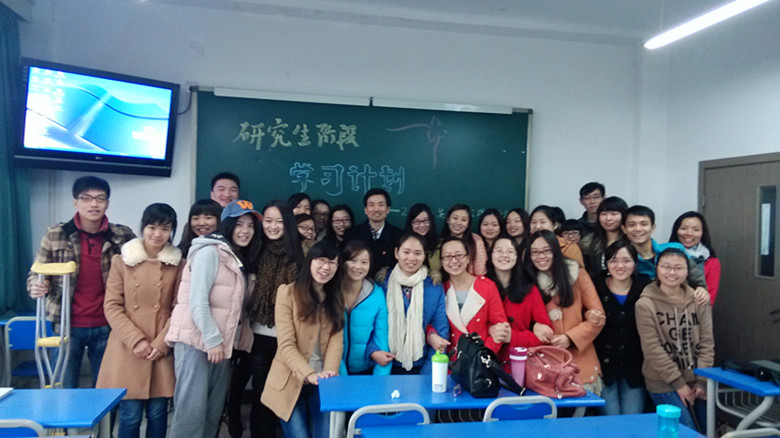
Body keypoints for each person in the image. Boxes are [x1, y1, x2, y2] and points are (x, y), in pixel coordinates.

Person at [27, 176, 135, 389]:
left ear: (107, 203)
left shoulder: (122, 234)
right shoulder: (56, 234)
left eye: (100, 198)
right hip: (67, 323)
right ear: (75, 202)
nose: (94, 204)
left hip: (109, 324)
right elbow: (36, 272)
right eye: (86, 198)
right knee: (63, 389)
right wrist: (36, 286)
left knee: (105, 389)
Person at [165, 200, 260, 438]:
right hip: (197, 342)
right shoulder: (209, 252)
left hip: (219, 345)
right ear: (227, 225)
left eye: (250, 225)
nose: (245, 231)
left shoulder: (235, 257)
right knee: (191, 414)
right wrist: (213, 340)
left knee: (212, 412)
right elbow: (198, 301)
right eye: (239, 224)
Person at [97, 203, 182, 438]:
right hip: (127, 345)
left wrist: (161, 343)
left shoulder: (178, 264)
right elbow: (112, 305)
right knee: (130, 414)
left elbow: (179, 308)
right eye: (152, 227)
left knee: (158, 413)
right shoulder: (122, 261)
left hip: (161, 345)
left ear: (172, 231)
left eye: (165, 229)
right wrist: (136, 340)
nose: (157, 234)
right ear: (143, 227)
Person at [261, 240, 344, 438]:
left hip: (323, 381)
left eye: (332, 263)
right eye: (321, 260)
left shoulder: (336, 298)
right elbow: (286, 344)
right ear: (309, 262)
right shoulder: (287, 293)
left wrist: (329, 374)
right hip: (289, 379)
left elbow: (336, 340)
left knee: (325, 434)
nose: (326, 267)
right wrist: (309, 374)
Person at [237, 200, 303, 438]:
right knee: (261, 393)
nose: (273, 226)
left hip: (287, 336)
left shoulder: (300, 254)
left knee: (283, 393)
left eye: (279, 221)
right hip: (257, 333)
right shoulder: (254, 249)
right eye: (268, 221)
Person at [636, 247, 714, 432]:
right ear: (657, 269)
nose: (672, 272)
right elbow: (652, 349)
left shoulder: (699, 300)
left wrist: (703, 380)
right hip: (663, 383)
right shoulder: (645, 303)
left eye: (678, 268)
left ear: (687, 271)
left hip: (698, 379)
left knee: (707, 430)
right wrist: (679, 385)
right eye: (666, 267)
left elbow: (707, 342)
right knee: (686, 431)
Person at [525, 230, 605, 394]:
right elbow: (518, 320)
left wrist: (570, 338)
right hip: (543, 366)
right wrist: (534, 326)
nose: (541, 256)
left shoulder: (577, 274)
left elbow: (598, 317)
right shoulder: (526, 280)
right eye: (535, 252)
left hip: (580, 362)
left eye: (547, 251)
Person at [593, 241, 650, 416]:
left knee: (632, 419)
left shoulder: (646, 287)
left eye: (626, 261)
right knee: (610, 419)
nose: (620, 266)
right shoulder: (595, 286)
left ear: (635, 263)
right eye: (613, 260)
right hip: (603, 366)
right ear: (606, 264)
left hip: (635, 366)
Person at [383, 233, 448, 374]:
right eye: (406, 252)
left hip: (422, 364)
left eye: (418, 253)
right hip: (386, 364)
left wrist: (427, 373)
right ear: (396, 253)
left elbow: (441, 330)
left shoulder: (434, 287)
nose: (411, 258)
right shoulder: (383, 284)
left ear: (424, 255)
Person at [622, 205, 709, 306]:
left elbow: (696, 278)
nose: (638, 229)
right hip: (646, 309)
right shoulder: (624, 260)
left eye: (644, 224)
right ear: (624, 229)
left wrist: (701, 288)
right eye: (632, 225)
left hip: (681, 307)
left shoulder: (676, 249)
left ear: (653, 228)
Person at [486, 237, 552, 369]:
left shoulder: (529, 290)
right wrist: (489, 329)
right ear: (490, 255)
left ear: (517, 256)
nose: (504, 255)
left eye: (510, 251)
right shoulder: (480, 287)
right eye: (499, 251)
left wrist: (513, 337)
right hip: (486, 363)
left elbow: (545, 337)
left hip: (519, 365)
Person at [440, 236, 508, 354]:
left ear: (468, 258)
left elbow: (499, 327)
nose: (454, 261)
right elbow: (431, 324)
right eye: (447, 256)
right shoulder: (440, 289)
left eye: (459, 255)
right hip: (450, 359)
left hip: (481, 357)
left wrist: (483, 355)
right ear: (441, 261)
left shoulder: (487, 286)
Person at [339, 240, 393, 375]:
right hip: (334, 371)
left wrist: (379, 381)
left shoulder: (377, 295)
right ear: (342, 262)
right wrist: (341, 380)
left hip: (365, 371)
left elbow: (382, 341)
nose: (358, 267)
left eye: (364, 262)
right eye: (353, 260)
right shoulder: (331, 293)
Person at [345, 188, 404, 279]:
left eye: (381, 205)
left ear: (388, 209)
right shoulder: (352, 234)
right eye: (371, 205)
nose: (376, 209)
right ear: (365, 210)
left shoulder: (399, 236)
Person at [669, 211, 721, 305]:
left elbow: (709, 298)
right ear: (676, 230)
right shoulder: (663, 255)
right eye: (684, 228)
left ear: (702, 233)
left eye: (696, 229)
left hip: (694, 310)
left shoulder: (712, 262)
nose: (689, 233)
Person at [579, 196, 628, 280]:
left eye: (614, 214)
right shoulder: (587, 242)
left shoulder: (632, 240)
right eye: (603, 214)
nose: (608, 218)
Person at [440, 204, 487, 276]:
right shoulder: (440, 242)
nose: (458, 223)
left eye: (463, 220)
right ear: (448, 220)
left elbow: (480, 272)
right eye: (455, 218)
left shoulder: (476, 241)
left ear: (468, 224)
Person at [404, 203, 441, 282]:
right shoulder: (403, 243)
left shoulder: (440, 244)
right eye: (417, 221)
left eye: (426, 221)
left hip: (434, 285)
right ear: (410, 223)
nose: (422, 225)